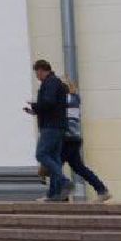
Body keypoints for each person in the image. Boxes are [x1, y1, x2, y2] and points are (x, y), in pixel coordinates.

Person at [24, 59, 72, 202]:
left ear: (41, 70)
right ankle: (55, 194)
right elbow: (53, 106)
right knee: (54, 160)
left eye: (36, 73)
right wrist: (35, 111)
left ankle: (64, 182)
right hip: (57, 125)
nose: (37, 76)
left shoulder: (50, 82)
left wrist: (35, 106)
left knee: (42, 154)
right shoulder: (56, 83)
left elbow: (48, 102)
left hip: (51, 127)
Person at [59, 80, 112, 202]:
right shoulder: (75, 99)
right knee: (78, 167)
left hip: (67, 138)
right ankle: (101, 190)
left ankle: (60, 195)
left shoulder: (66, 99)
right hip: (75, 138)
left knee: (54, 166)